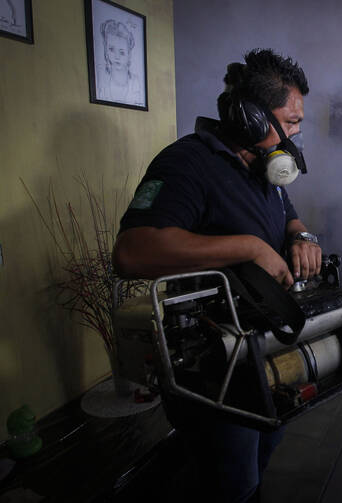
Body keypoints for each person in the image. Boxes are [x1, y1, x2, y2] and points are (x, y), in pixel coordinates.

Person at [112, 49, 321, 502]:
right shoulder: (187, 163)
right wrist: (247, 248)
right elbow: (131, 251)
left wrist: (302, 233)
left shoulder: (264, 166)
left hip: (259, 348)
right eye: (291, 119)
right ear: (249, 117)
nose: (298, 131)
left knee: (265, 448)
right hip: (209, 360)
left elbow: (286, 214)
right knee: (231, 479)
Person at [96, 19, 144, 106]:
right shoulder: (100, 79)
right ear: (106, 50)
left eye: (122, 52)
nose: (116, 57)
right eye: (111, 49)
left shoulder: (136, 84)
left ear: (129, 54)